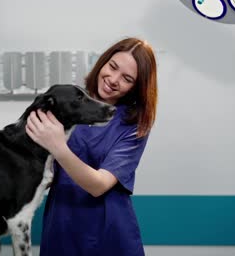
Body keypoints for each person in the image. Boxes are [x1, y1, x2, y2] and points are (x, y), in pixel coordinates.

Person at [26, 37, 158, 256]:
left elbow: (98, 185)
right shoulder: (65, 103)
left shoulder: (133, 126)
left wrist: (58, 147)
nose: (113, 80)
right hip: (61, 225)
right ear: (103, 62)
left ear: (136, 87)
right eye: (112, 67)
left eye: (127, 78)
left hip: (109, 232)